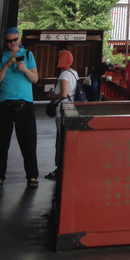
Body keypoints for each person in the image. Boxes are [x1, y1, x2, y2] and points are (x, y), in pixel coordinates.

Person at [0, 27, 39, 189]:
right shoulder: (1, 57)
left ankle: (32, 176)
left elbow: (35, 79)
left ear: (19, 39)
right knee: (2, 143)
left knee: (28, 142)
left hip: (25, 104)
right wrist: (6, 65)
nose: (12, 43)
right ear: (5, 42)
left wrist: (24, 69)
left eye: (14, 40)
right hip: (4, 103)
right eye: (8, 41)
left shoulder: (28, 55)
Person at [45, 49, 79, 181]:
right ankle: (66, 167)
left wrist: (53, 96)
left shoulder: (64, 75)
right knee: (67, 139)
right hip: (72, 108)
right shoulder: (74, 73)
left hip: (63, 109)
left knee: (61, 140)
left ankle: (60, 168)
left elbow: (64, 93)